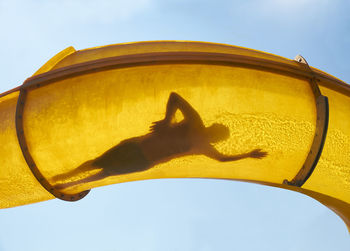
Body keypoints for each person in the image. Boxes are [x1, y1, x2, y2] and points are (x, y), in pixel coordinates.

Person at [53, 92, 267, 189]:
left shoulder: (204, 146)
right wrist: (167, 120)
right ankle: (67, 176)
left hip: (143, 162)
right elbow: (175, 96)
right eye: (216, 132)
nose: (213, 136)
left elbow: (223, 160)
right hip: (137, 147)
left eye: (217, 136)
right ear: (212, 127)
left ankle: (72, 184)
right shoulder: (196, 122)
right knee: (98, 163)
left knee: (105, 171)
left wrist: (247, 154)